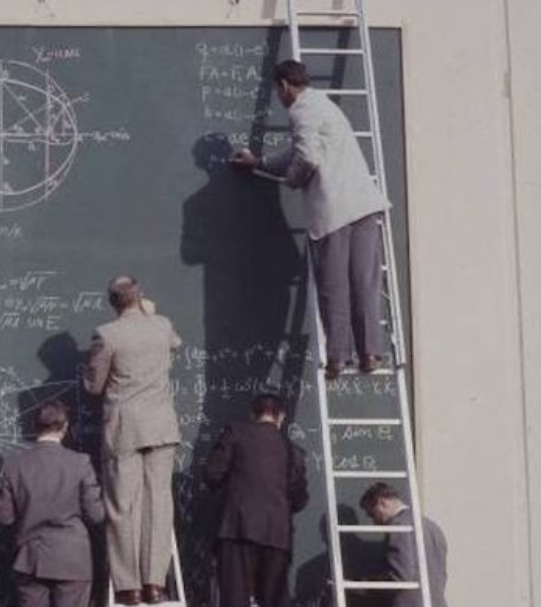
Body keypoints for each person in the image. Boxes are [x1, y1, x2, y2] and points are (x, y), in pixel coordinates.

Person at [231, 59, 391, 379]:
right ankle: (370, 352)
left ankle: (337, 357)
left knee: (334, 286)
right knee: (364, 282)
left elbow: (306, 158)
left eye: (278, 90)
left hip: (333, 211)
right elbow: (297, 150)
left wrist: (292, 180)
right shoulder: (323, 105)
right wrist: (260, 162)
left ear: (285, 86)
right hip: (363, 205)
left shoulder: (301, 111)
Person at [84, 275, 182, 606]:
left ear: (112, 302)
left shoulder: (107, 335)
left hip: (124, 429)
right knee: (159, 504)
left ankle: (129, 587)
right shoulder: (161, 324)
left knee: (123, 506)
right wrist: (149, 312)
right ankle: (155, 582)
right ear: (139, 295)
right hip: (160, 427)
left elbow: (93, 387)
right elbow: (176, 343)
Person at [0, 400, 106, 607]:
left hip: (30, 560)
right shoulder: (80, 462)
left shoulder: (14, 465)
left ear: (35, 427)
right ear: (65, 427)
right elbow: (96, 514)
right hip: (72, 559)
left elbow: (4, 517)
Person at [205, 393, 309, 607]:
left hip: (237, 529)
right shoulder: (293, 451)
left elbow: (212, 474)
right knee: (275, 600)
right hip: (277, 535)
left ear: (252, 414)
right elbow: (299, 498)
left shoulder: (235, 433)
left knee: (234, 599)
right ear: (281, 417)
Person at [360, 482, 449, 607]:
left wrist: (366, 584)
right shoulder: (432, 526)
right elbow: (441, 574)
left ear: (382, 502)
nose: (374, 522)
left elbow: (400, 576)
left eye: (372, 514)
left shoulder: (399, 527)